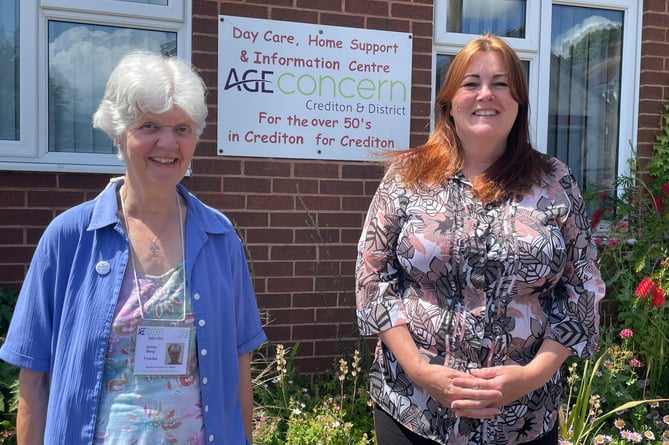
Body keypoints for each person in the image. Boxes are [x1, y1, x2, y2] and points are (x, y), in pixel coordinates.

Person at [0, 50, 266, 444]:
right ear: (117, 131)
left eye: (182, 128)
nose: (167, 143)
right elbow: (33, 380)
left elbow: (238, 368)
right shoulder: (68, 238)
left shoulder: (220, 237)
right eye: (149, 125)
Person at [355, 34, 605, 445]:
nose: (485, 94)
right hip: (413, 411)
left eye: (502, 83)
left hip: (524, 417)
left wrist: (530, 376)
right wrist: (421, 371)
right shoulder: (407, 177)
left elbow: (583, 287)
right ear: (449, 101)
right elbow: (373, 278)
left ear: (519, 101)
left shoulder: (555, 181)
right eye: (471, 83)